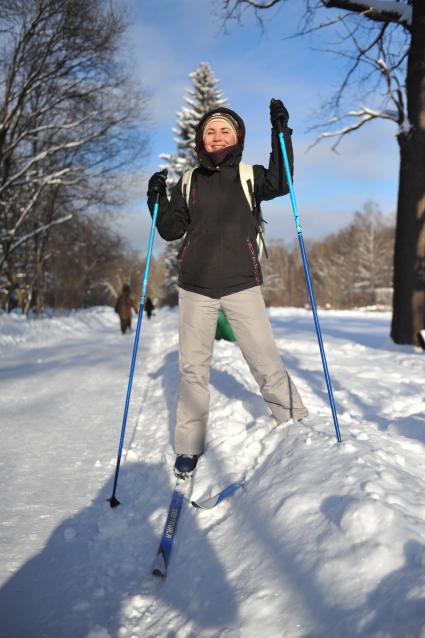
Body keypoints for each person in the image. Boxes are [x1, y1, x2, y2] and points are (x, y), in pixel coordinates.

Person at [147, 99, 308, 478]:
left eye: (225, 130)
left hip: (241, 283)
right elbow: (171, 229)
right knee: (192, 369)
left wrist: (280, 133)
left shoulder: (251, 175)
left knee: (265, 360)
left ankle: (293, 421)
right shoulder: (189, 181)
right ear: (202, 140)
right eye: (210, 131)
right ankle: (188, 447)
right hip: (196, 287)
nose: (217, 136)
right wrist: (156, 198)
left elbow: (283, 181)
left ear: (236, 137)